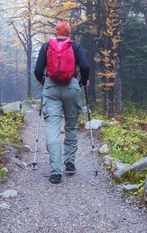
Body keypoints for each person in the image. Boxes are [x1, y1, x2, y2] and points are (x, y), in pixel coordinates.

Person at [34, 21, 90, 184]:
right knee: (71, 125)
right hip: (72, 87)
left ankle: (56, 171)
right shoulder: (76, 46)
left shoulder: (46, 46)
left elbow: (37, 70)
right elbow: (85, 66)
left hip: (51, 87)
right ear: (69, 33)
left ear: (55, 32)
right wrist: (83, 81)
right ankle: (70, 162)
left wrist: (43, 81)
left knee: (52, 127)